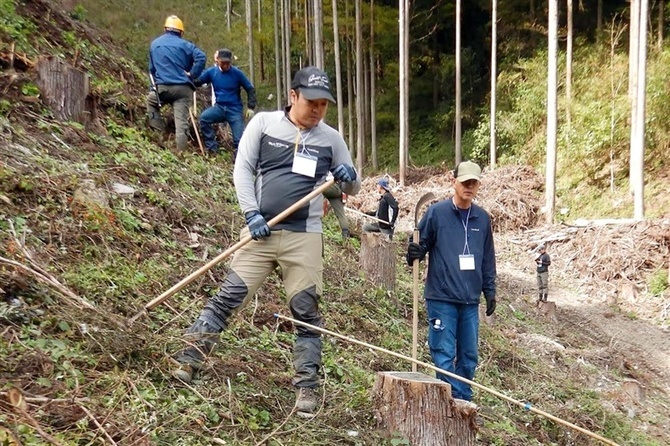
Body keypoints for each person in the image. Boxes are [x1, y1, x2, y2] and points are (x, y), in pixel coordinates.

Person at [171, 66, 361, 413]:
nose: (318, 110)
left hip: (304, 236)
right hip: (262, 230)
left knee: (306, 310)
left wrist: (348, 177)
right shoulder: (263, 124)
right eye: (312, 102)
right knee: (229, 296)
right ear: (292, 96)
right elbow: (242, 169)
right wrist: (251, 214)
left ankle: (306, 387)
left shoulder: (331, 139)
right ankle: (190, 358)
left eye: (324, 104)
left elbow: (352, 186)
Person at [406, 160, 496, 401]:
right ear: (453, 181)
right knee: (443, 352)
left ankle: (463, 399)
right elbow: (420, 243)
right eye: (464, 181)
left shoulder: (482, 219)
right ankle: (449, 401)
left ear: (478, 185)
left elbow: (488, 258)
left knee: (469, 354)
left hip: (469, 299)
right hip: (441, 297)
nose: (469, 186)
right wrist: (414, 251)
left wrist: (490, 290)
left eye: (473, 182)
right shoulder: (437, 213)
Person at [147, 15, 206, 151]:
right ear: (180, 32)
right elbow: (201, 57)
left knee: (151, 102)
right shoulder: (186, 45)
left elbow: (151, 70)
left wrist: (153, 88)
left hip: (163, 88)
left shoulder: (155, 44)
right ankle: (181, 153)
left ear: (165, 29)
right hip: (183, 89)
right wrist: (192, 74)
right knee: (181, 123)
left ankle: (159, 135)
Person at [195, 49, 257, 155]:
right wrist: (189, 77)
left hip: (234, 110)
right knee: (204, 119)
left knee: (239, 140)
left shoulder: (237, 73)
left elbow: (250, 88)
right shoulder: (212, 72)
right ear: (218, 61)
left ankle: (238, 159)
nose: (225, 65)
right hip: (219, 108)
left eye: (228, 62)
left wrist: (251, 107)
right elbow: (198, 82)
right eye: (223, 62)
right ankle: (212, 148)